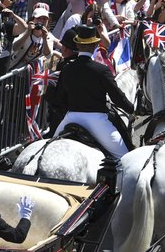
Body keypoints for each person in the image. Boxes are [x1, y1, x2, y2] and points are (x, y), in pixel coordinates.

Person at [50, 24, 134, 159]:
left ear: (77, 46)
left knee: (49, 149)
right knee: (124, 159)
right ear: (95, 46)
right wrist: (130, 108)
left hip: (71, 117)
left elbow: (58, 99)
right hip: (97, 120)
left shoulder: (67, 69)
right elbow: (116, 97)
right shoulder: (102, 70)